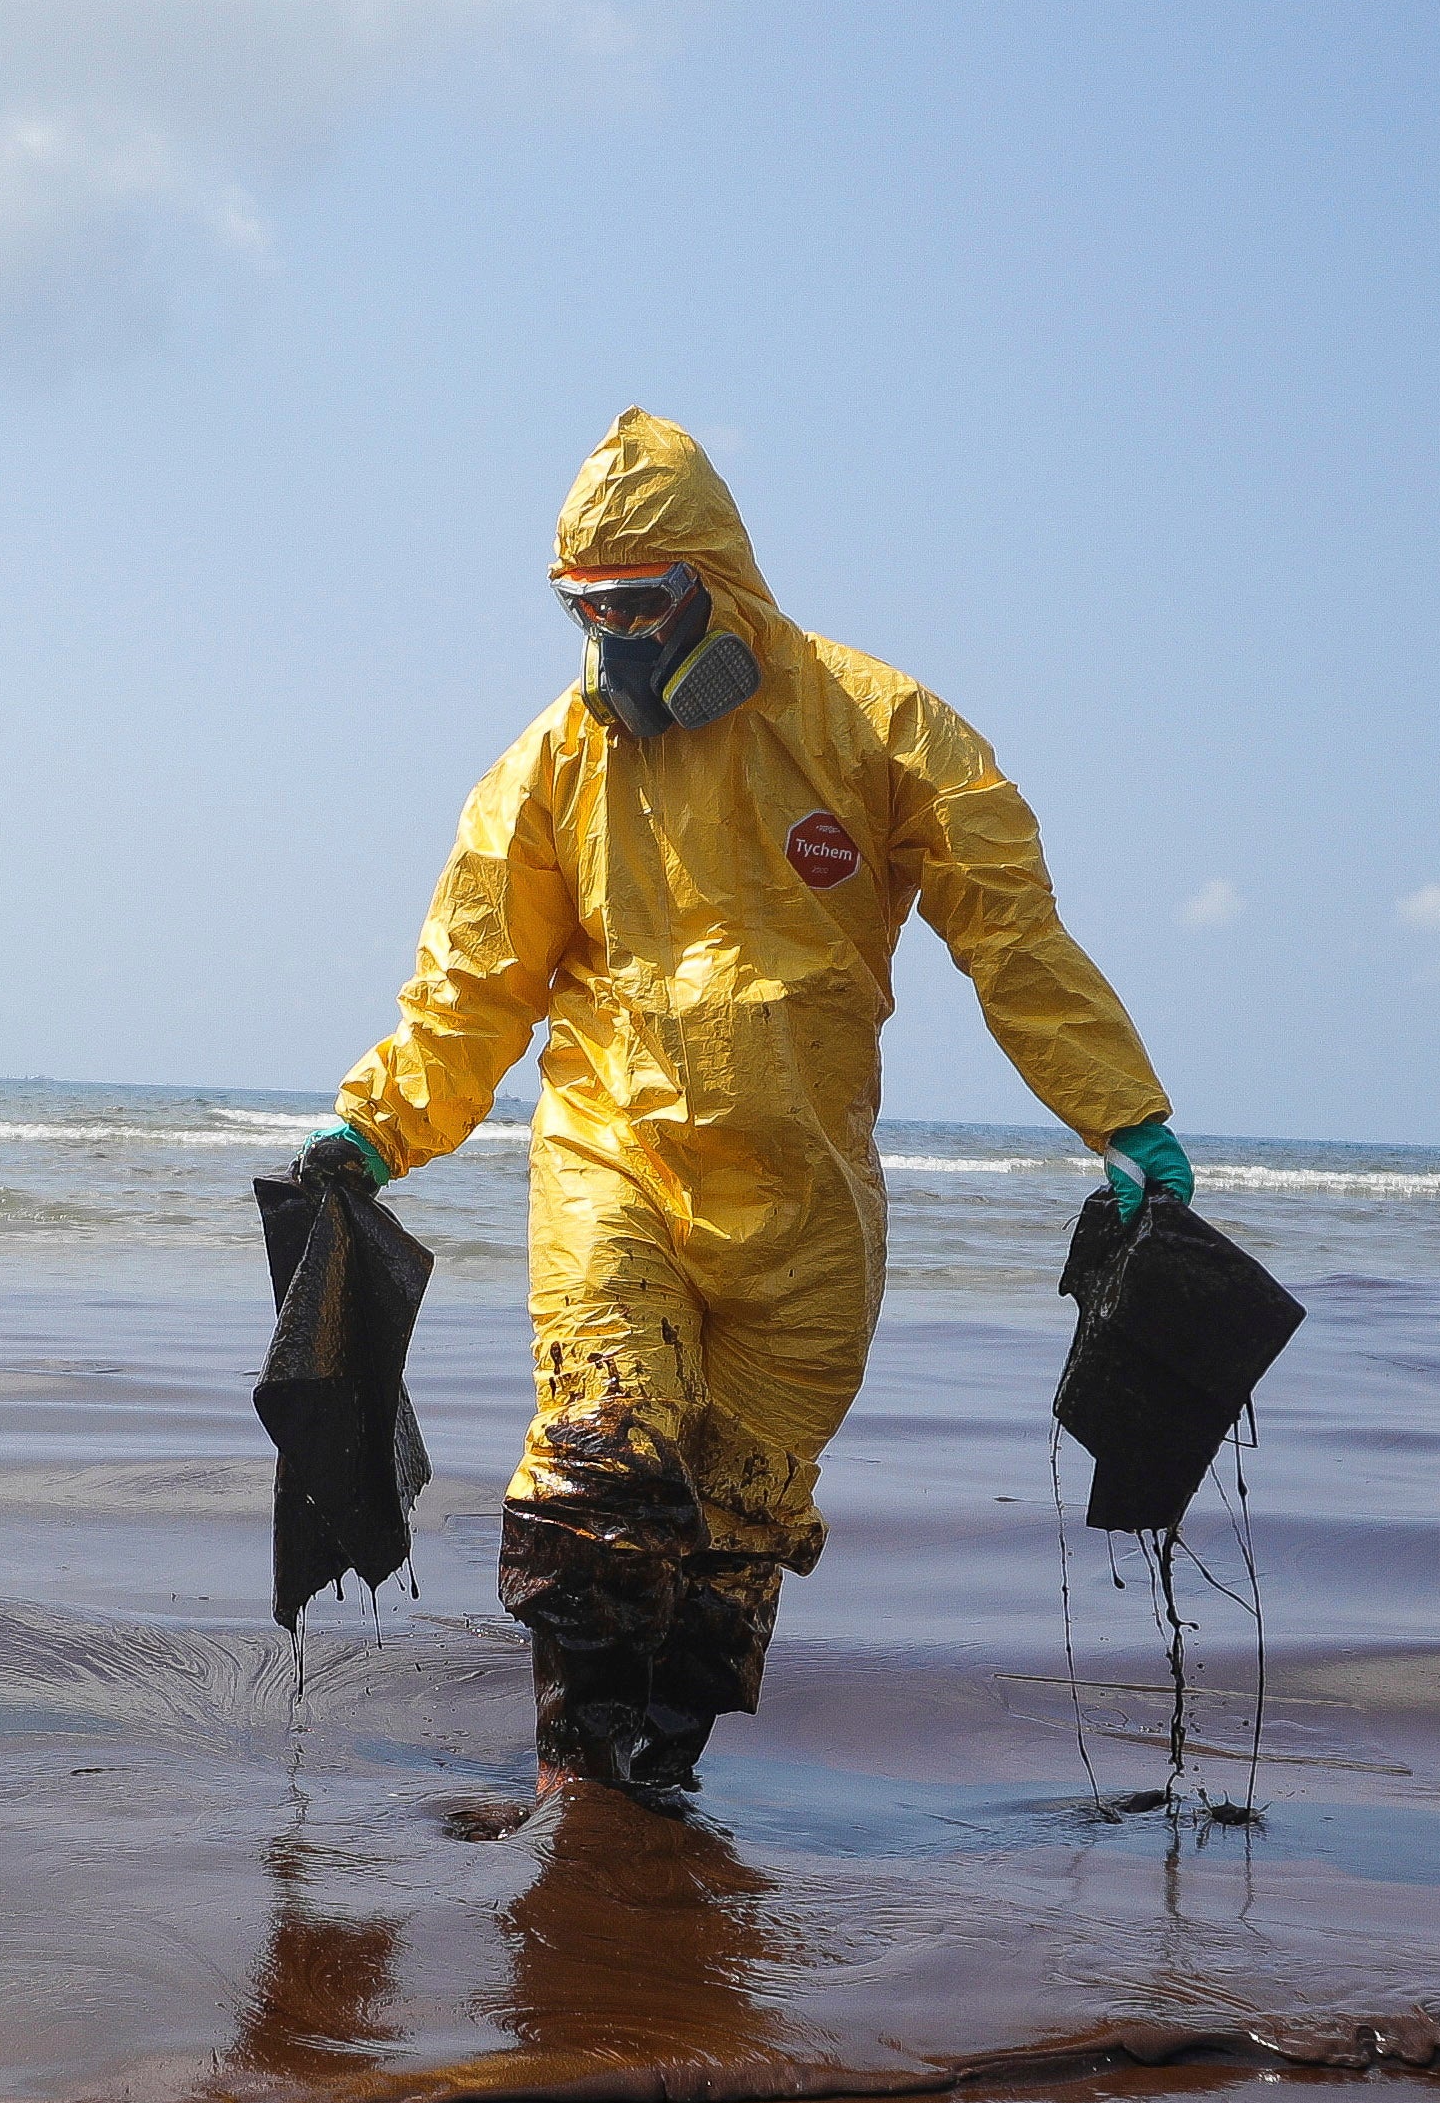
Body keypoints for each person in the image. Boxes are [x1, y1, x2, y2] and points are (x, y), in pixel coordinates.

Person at [308, 412, 1190, 1796]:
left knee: (735, 1529)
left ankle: (657, 1788)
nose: (621, 644)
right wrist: (377, 1125)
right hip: (618, 1150)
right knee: (603, 1458)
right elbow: (476, 978)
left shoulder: (881, 729)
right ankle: (571, 1780)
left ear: (716, 583)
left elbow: (1009, 934)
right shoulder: (553, 764)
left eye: (644, 606)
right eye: (587, 613)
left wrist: (1120, 1116)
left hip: (808, 1199)